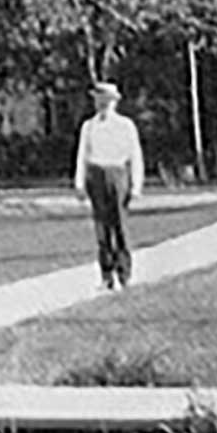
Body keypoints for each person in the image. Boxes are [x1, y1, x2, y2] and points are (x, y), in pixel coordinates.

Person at [73, 82, 144, 291]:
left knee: (119, 225)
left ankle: (124, 273)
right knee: (101, 228)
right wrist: (79, 183)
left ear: (114, 102)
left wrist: (136, 185)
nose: (102, 105)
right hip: (97, 174)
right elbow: (82, 155)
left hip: (118, 173)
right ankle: (106, 274)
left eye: (106, 101)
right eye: (99, 100)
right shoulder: (89, 126)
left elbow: (135, 156)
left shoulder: (125, 125)